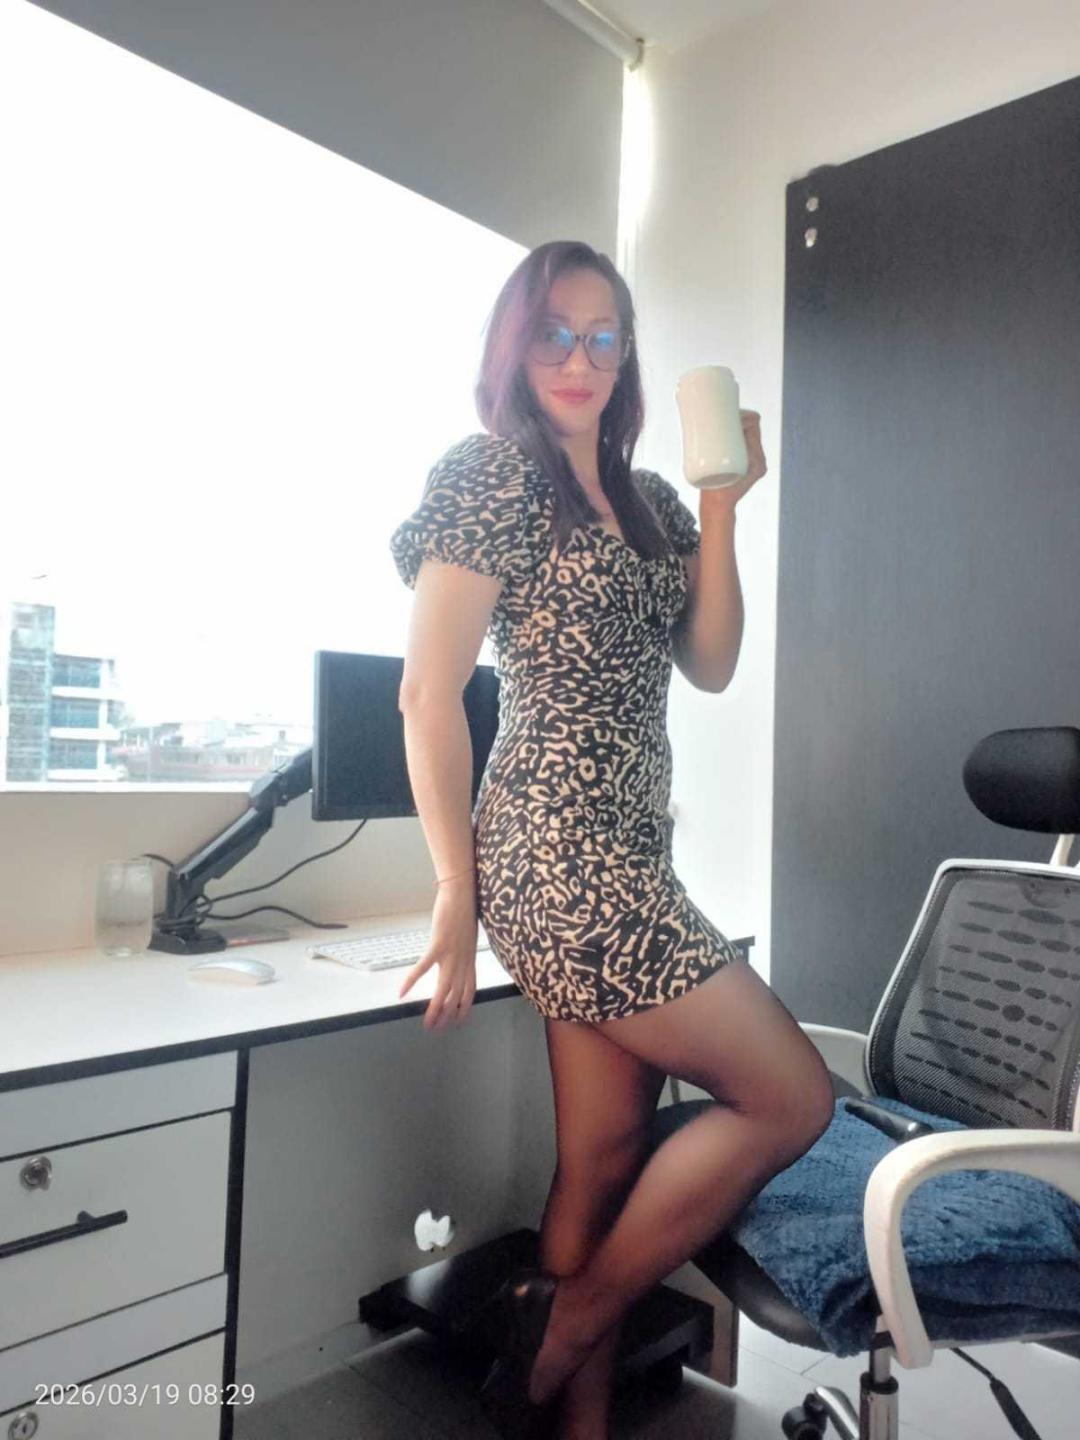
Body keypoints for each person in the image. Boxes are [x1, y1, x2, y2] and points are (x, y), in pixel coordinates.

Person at [388, 240, 834, 1440]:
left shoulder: (653, 504)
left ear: (627, 354)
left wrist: (725, 506)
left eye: (603, 335)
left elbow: (712, 662)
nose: (579, 358)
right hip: (555, 853)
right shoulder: (493, 474)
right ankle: (568, 1324)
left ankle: (569, 1415)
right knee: (790, 1097)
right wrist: (453, 889)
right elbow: (428, 695)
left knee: (603, 1156)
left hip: (632, 853)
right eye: (554, 332)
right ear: (514, 345)